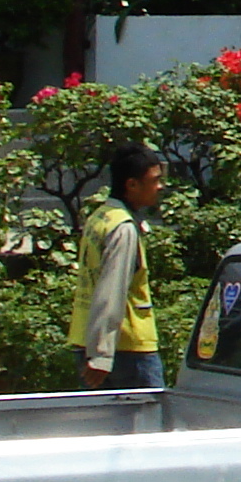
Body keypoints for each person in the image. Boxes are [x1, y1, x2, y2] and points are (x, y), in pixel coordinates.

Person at [74, 143, 167, 390]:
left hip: (87, 340)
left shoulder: (100, 217)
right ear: (132, 185)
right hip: (127, 349)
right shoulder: (123, 228)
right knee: (147, 423)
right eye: (154, 180)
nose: (160, 186)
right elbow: (111, 290)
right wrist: (102, 355)